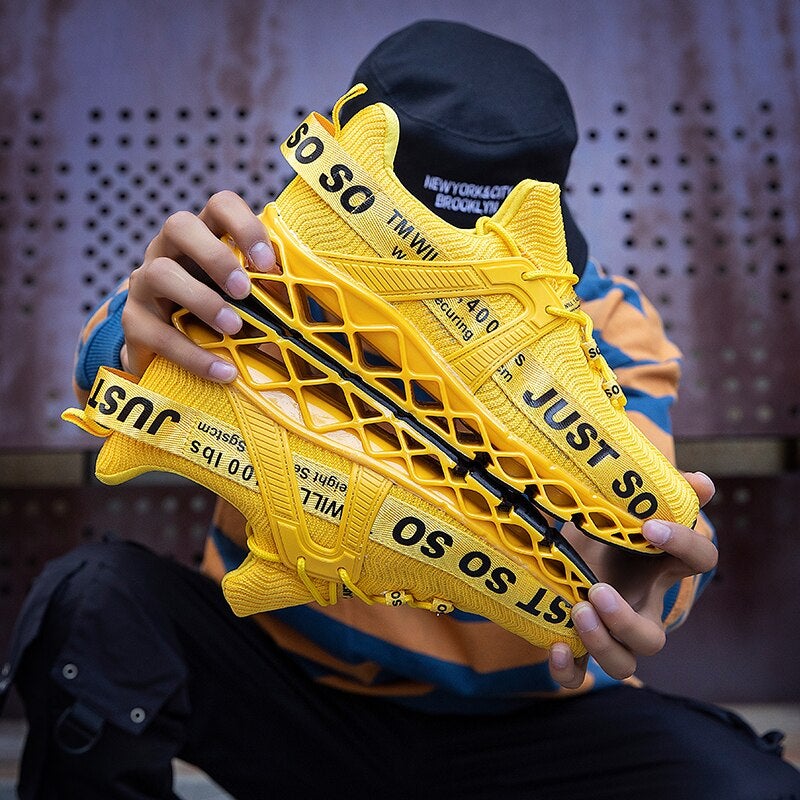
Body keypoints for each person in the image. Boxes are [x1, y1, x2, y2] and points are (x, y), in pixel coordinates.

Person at [3, 19, 799, 800]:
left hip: (530, 727)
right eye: (409, 271)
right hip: (286, 694)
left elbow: (658, 531)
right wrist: (136, 338)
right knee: (94, 601)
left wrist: (633, 572)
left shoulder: (606, 323)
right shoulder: (253, 273)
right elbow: (110, 367)